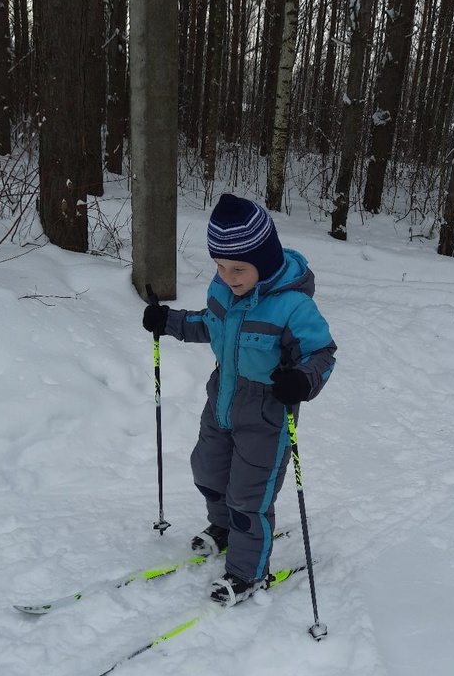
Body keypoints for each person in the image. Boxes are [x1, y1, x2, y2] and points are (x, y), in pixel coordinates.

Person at [142, 193, 336, 607]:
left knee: (250, 497)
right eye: (219, 266)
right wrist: (170, 321)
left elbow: (321, 355)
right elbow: (210, 326)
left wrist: (301, 380)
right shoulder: (224, 289)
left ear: (263, 261)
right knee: (209, 474)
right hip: (222, 401)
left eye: (238, 268)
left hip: (267, 414)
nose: (228, 276)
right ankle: (224, 528)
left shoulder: (292, 305)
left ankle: (249, 571)